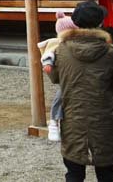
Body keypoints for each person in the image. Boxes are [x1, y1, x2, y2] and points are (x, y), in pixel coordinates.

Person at [49, 0, 113, 182]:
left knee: (74, 173)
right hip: (105, 119)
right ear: (100, 23)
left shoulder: (62, 49)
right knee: (106, 173)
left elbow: (55, 78)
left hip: (73, 118)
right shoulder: (109, 52)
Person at [39, 11, 77, 142]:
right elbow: (48, 54)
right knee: (60, 96)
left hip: (75, 75)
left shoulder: (77, 42)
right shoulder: (56, 43)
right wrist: (48, 63)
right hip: (66, 78)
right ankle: (54, 122)